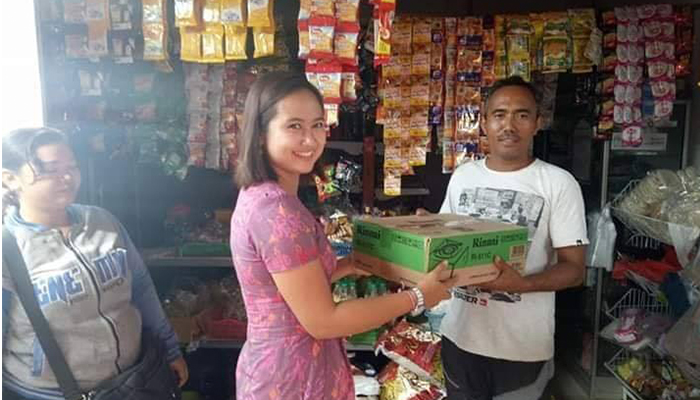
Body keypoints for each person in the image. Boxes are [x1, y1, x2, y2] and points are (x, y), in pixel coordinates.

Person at [230, 72, 457, 400]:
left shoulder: (260, 195)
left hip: (281, 368)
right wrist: (418, 297)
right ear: (261, 133)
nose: (310, 139)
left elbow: (286, 286)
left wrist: (349, 264)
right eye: (294, 126)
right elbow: (324, 321)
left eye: (317, 125)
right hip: (295, 380)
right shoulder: (278, 213)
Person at [2, 128, 188, 400]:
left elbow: (142, 288)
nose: (67, 178)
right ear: (10, 179)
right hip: (48, 393)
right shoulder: (7, 250)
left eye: (72, 167)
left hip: (133, 382)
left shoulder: (102, 222)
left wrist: (170, 350)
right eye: (51, 170)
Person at [436, 76, 589, 400]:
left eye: (521, 115)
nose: (509, 125)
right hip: (460, 340)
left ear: (537, 123)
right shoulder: (464, 176)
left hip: (522, 350)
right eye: (499, 114)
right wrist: (425, 230)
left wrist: (522, 284)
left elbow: (575, 269)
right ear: (484, 123)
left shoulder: (558, 183)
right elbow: (445, 246)